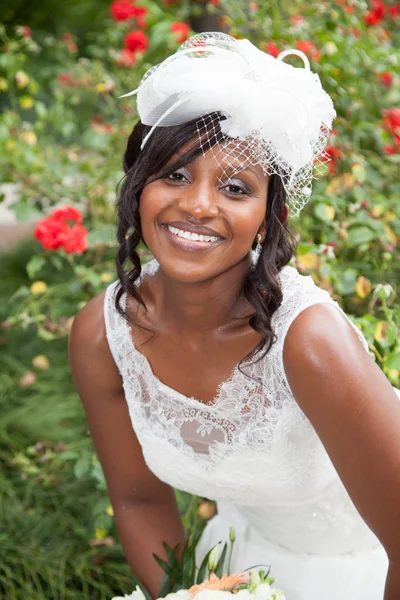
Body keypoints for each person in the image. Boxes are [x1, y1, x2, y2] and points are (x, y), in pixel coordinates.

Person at [69, 33, 400, 600]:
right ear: (137, 188)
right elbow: (138, 500)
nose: (198, 205)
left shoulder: (310, 343)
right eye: (174, 175)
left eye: (234, 187)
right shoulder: (103, 334)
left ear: (267, 217)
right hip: (240, 570)